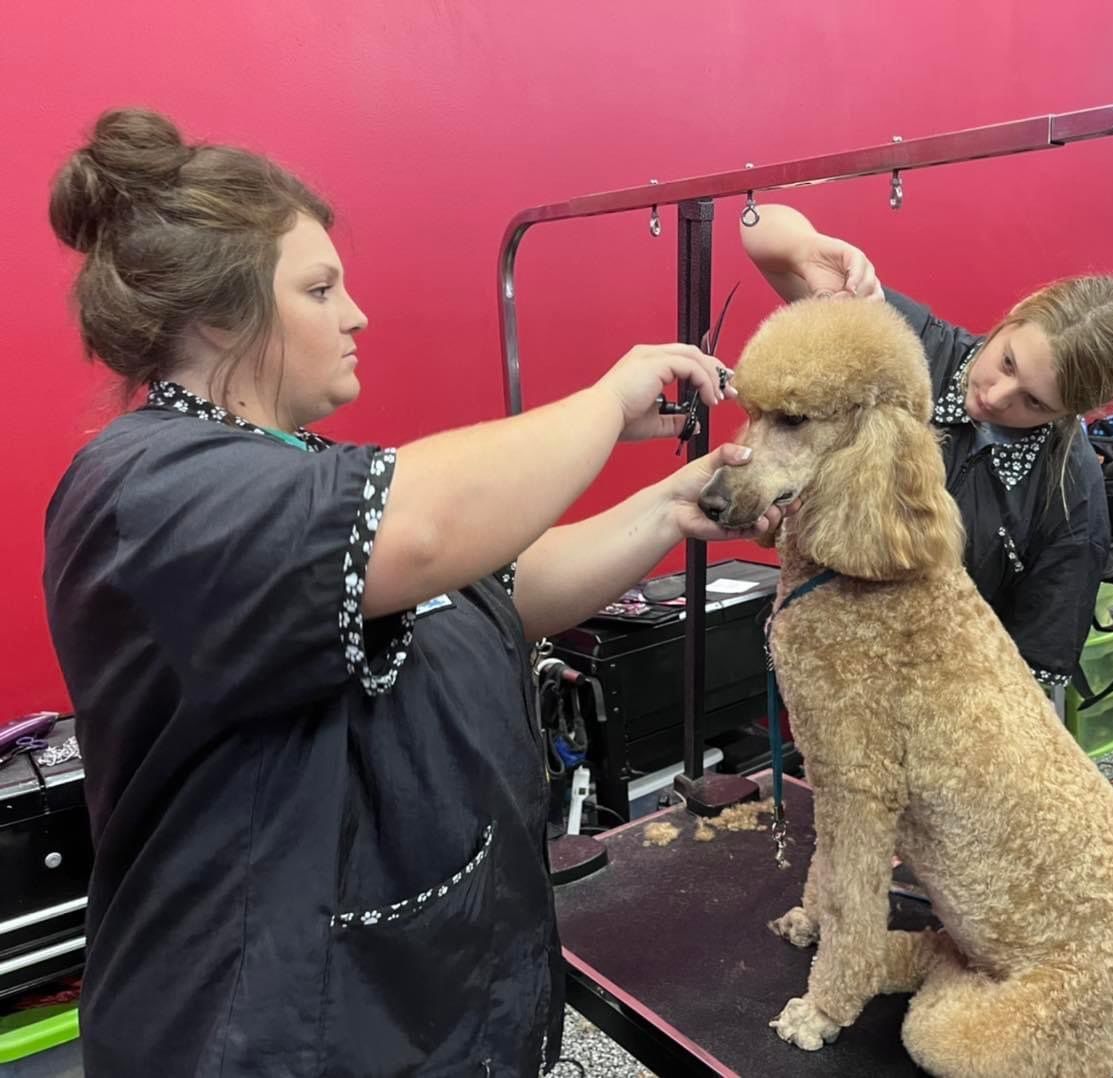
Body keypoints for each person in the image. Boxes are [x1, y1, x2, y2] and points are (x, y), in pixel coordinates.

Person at [42, 108, 780, 1077]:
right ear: (220, 316)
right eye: (319, 288)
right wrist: (606, 400)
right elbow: (428, 529)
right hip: (262, 1036)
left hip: (425, 1010)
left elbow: (503, 585)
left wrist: (676, 504)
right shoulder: (149, 490)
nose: (357, 316)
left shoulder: (300, 474)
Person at [738, 204, 1113, 689]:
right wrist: (806, 248)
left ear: (1077, 412)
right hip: (824, 661)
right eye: (1007, 363)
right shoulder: (903, 348)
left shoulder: (1072, 500)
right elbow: (757, 228)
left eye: (1033, 401)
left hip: (947, 693)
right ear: (1012, 319)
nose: (995, 397)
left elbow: (1032, 678)